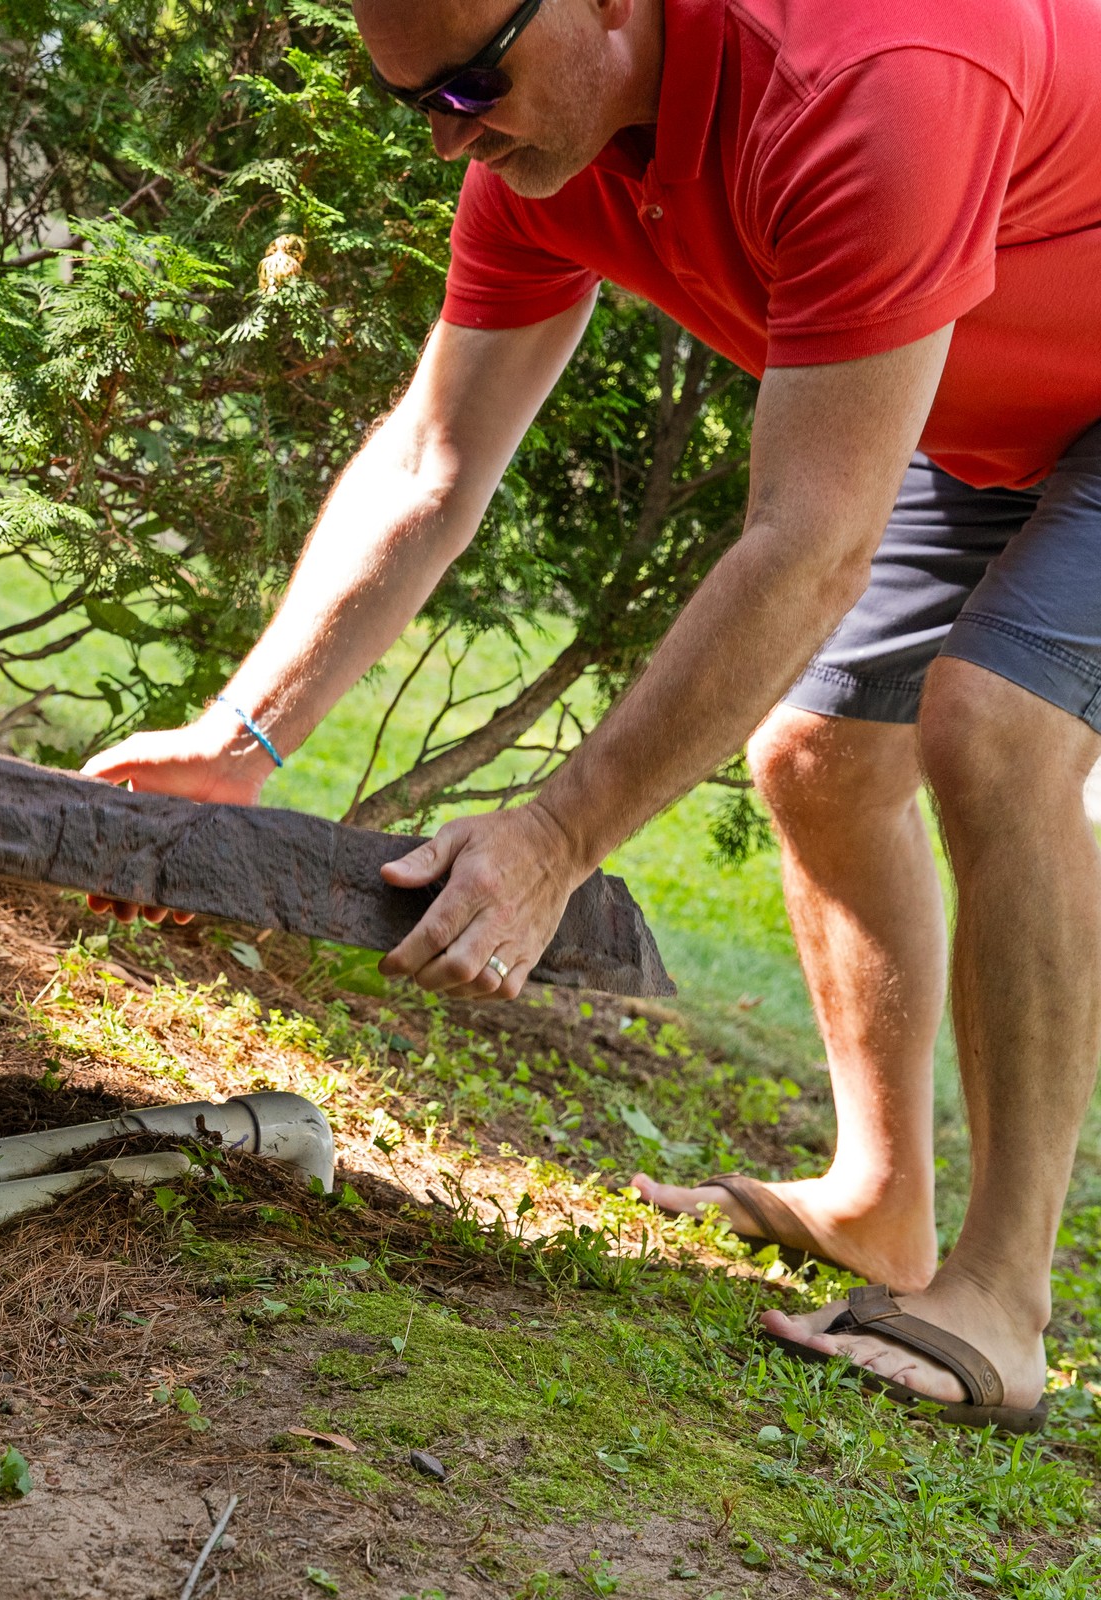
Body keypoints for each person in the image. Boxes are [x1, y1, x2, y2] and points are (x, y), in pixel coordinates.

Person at [82, 0, 1101, 1430]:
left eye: (474, 85)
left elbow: (812, 547)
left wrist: (557, 836)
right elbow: (439, 460)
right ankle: (881, 1209)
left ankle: (1000, 1299)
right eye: (418, 105)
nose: (456, 138)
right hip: (986, 386)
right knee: (816, 758)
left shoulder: (869, 74)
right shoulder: (537, 160)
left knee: (994, 727)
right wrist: (241, 735)